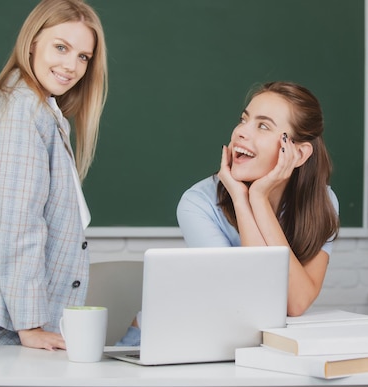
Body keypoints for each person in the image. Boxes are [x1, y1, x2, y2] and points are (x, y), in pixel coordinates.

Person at [116, 81, 340, 346]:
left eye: (263, 126)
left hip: (240, 344)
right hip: (159, 342)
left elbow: (298, 303)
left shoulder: (322, 202)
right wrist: (240, 197)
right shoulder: (197, 203)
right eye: (243, 120)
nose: (241, 133)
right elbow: (251, 302)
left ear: (299, 153)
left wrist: (258, 199)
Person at [0, 0, 108, 351]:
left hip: (10, 322)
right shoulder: (24, 111)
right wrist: (30, 325)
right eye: (61, 47)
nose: (72, 65)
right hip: (8, 326)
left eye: (83, 56)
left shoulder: (34, 106)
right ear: (33, 41)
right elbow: (20, 225)